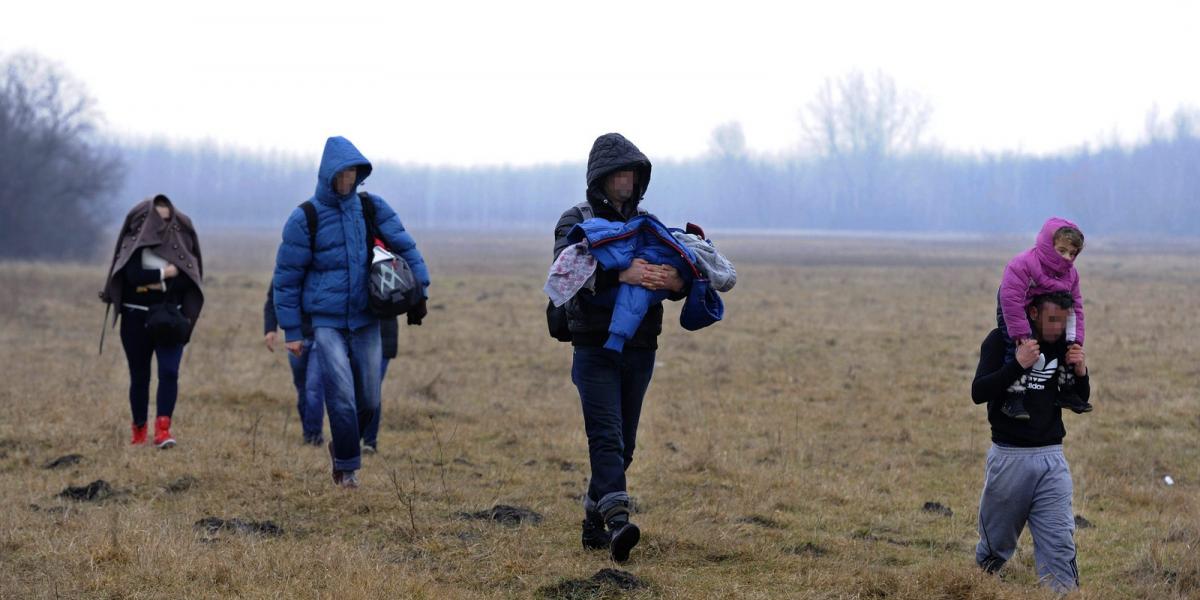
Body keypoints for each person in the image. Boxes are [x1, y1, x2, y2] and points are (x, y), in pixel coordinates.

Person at [552, 133, 690, 562]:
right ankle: (617, 522)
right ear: (601, 179)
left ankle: (594, 515)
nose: (627, 181)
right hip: (592, 346)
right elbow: (564, 276)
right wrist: (620, 275)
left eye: (633, 173)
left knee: (625, 444)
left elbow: (678, 272)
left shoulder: (650, 224)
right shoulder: (574, 220)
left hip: (641, 345)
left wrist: (675, 282)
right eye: (619, 174)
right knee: (606, 438)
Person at [273, 136, 429, 489]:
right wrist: (293, 332)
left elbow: (405, 244)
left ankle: (341, 445)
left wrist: (422, 288)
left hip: (366, 319)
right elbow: (286, 278)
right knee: (340, 396)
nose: (348, 180)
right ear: (328, 175)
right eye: (342, 174)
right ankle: (347, 468)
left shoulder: (371, 208)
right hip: (326, 324)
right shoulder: (305, 218)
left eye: (354, 174)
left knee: (370, 398)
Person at [972, 291, 1091, 593]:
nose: (1057, 329)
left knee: (1059, 543)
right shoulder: (1000, 341)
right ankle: (975, 588)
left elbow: (1079, 399)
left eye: (1063, 322)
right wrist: (1018, 365)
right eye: (1052, 320)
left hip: (1052, 459)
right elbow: (979, 392)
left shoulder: (1063, 346)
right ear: (1033, 313)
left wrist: (1080, 372)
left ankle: (1063, 593)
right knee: (994, 549)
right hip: (1009, 458)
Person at [100, 195, 203, 449]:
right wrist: (163, 274)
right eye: (159, 219)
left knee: (169, 372)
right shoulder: (133, 243)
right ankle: (139, 430)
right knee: (140, 376)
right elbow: (133, 276)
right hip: (135, 318)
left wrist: (158, 281)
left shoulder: (181, 241)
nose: (164, 224)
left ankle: (163, 430)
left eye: (168, 219)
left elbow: (188, 279)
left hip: (169, 318)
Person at [996, 217, 1090, 419]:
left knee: (1068, 350)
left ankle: (1067, 392)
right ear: (1049, 244)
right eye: (1062, 250)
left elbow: (1075, 308)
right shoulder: (1022, 264)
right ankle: (1013, 397)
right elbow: (1010, 298)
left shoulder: (1071, 275)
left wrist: (1075, 339)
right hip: (1014, 312)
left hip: (1049, 315)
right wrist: (1021, 333)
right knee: (1018, 350)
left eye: (1072, 253)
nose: (1067, 258)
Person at [264, 284, 325, 446]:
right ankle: (308, 432)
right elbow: (274, 299)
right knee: (302, 388)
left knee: (314, 387)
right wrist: (270, 329)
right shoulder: (289, 266)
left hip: (323, 336)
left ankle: (314, 436)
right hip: (296, 337)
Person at [360, 316, 398, 454]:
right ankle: (350, 439)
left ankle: (369, 441)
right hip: (354, 336)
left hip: (383, 339)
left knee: (371, 390)